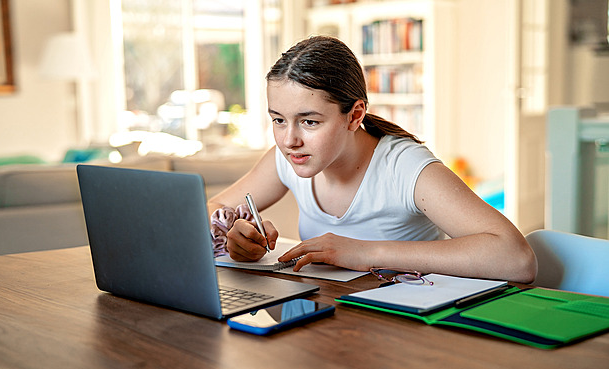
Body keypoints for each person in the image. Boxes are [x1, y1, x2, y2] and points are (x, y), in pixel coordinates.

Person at [207, 35, 537, 283]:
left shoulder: (405, 168)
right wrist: (235, 235)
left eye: (309, 121)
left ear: (355, 116)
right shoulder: (287, 159)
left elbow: (516, 258)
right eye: (278, 119)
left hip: (411, 333)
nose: (289, 139)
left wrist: (368, 252)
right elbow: (207, 211)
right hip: (335, 322)